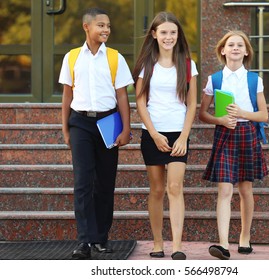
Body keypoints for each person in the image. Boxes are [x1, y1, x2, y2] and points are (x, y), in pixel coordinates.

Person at [59, 7, 133, 259]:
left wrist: (126, 127)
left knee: (104, 182)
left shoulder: (115, 58)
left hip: (108, 122)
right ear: (86, 27)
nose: (106, 30)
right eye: (101, 25)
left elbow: (122, 95)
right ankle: (84, 241)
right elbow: (67, 95)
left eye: (108, 26)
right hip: (80, 123)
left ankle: (100, 238)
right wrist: (65, 127)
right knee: (82, 183)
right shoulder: (71, 57)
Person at [133, 11, 198, 260]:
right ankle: (158, 243)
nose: (168, 36)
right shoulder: (146, 65)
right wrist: (154, 134)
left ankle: (177, 246)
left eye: (173, 32)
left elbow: (192, 105)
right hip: (153, 133)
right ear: (154, 34)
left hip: (178, 132)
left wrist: (183, 137)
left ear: (178, 34)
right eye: (163, 32)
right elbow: (140, 103)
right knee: (157, 189)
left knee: (175, 186)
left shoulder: (189, 64)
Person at [199, 30, 268, 260]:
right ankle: (223, 244)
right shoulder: (215, 79)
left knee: (245, 189)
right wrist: (219, 120)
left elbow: (264, 115)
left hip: (247, 133)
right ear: (223, 50)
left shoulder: (254, 79)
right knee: (225, 189)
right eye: (231, 45)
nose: (235, 48)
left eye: (240, 45)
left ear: (246, 51)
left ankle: (245, 237)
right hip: (225, 134)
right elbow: (202, 113)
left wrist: (241, 113)